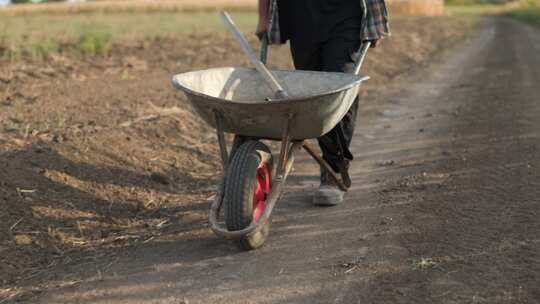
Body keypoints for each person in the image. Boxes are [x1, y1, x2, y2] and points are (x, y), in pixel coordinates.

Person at [256, 0, 390, 206]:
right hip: (299, 15)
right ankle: (331, 161)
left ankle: (333, 169)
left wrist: (377, 17)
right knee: (313, 92)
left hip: (345, 14)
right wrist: (264, 18)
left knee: (337, 88)